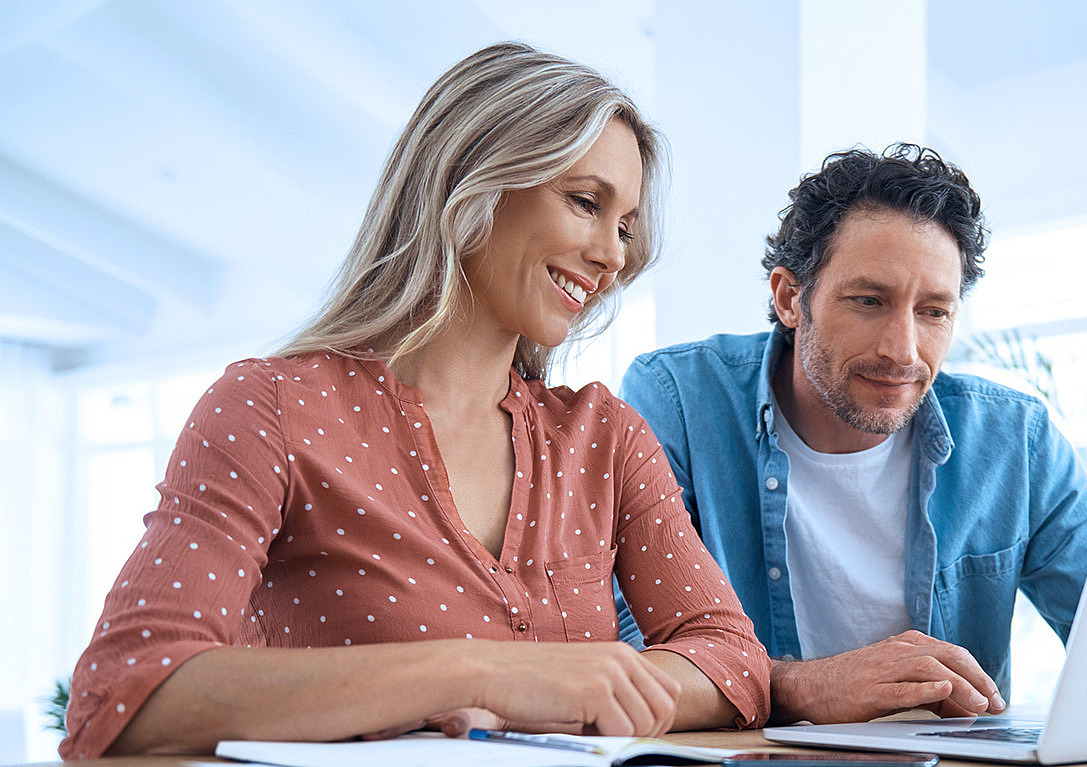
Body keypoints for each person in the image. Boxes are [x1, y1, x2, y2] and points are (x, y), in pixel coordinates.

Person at [59, 42, 769, 760]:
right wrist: (479, 670)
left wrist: (589, 691)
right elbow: (122, 693)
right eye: (586, 203)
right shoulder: (268, 407)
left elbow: (734, 660)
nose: (614, 257)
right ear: (472, 182)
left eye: (625, 227)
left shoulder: (604, 438)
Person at [612, 144, 1087, 725]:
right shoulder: (679, 399)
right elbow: (627, 650)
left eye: (934, 312)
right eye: (869, 301)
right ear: (790, 298)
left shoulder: (1015, 439)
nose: (903, 351)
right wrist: (803, 687)